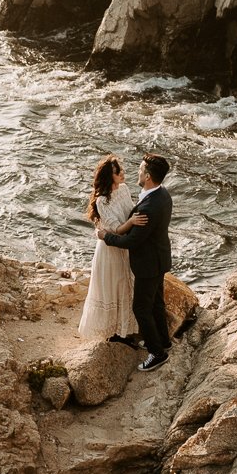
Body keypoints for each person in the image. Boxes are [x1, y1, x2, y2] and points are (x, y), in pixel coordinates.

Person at [99, 154, 174, 371]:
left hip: (148, 264)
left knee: (141, 308)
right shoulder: (162, 194)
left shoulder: (148, 206)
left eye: (141, 169)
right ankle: (164, 341)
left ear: (148, 176)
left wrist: (106, 237)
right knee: (157, 303)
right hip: (159, 258)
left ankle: (157, 353)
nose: (137, 172)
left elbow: (132, 241)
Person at [76, 155, 140, 344]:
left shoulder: (125, 189)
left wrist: (134, 220)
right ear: (108, 176)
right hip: (110, 250)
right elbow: (116, 228)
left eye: (121, 169)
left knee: (127, 286)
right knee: (113, 287)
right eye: (117, 171)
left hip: (124, 246)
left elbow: (130, 212)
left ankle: (126, 330)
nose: (122, 173)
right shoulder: (101, 202)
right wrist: (132, 221)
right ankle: (114, 333)